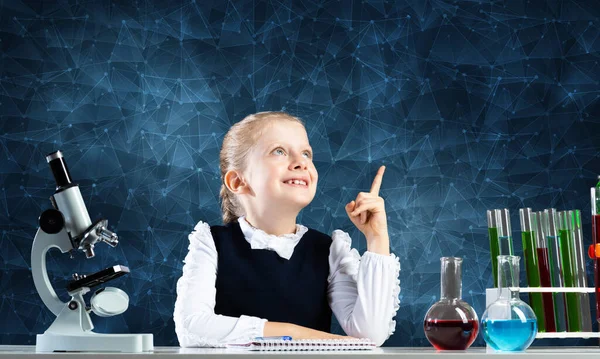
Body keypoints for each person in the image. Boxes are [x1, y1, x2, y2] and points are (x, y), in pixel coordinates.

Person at [173, 111, 400, 347]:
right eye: (279, 151)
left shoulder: (329, 250)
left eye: (306, 153)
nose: (302, 162)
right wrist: (294, 333)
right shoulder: (211, 243)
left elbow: (369, 335)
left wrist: (377, 238)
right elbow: (192, 327)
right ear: (237, 181)